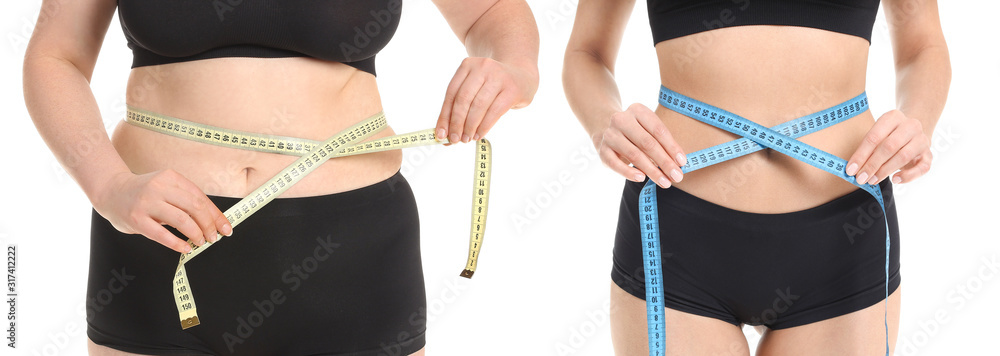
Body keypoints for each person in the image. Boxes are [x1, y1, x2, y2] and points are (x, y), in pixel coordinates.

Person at [22, 0, 538, 355]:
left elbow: (493, 14)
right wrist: (110, 186)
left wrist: (512, 65)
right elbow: (54, 55)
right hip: (156, 245)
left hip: (351, 256)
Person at [563, 0, 949, 354]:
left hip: (843, 237)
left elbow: (923, 46)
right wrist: (603, 122)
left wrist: (918, 120)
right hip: (676, 230)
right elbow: (587, 52)